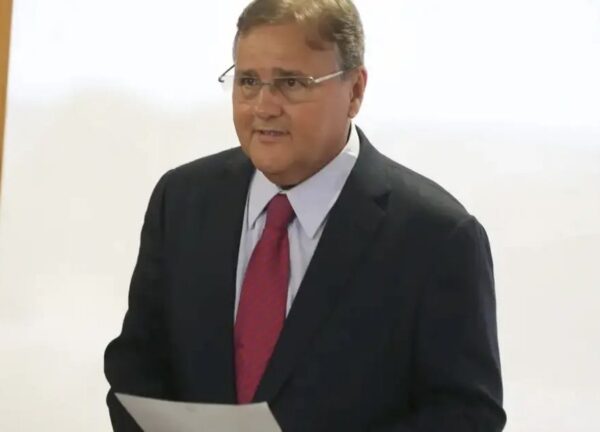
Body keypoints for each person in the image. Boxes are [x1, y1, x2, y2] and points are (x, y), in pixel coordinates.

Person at [104, 0, 506, 430]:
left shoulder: (437, 237)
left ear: (355, 91)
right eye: (248, 81)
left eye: (291, 83)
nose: (264, 107)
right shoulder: (182, 201)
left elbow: (467, 416)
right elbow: (137, 370)